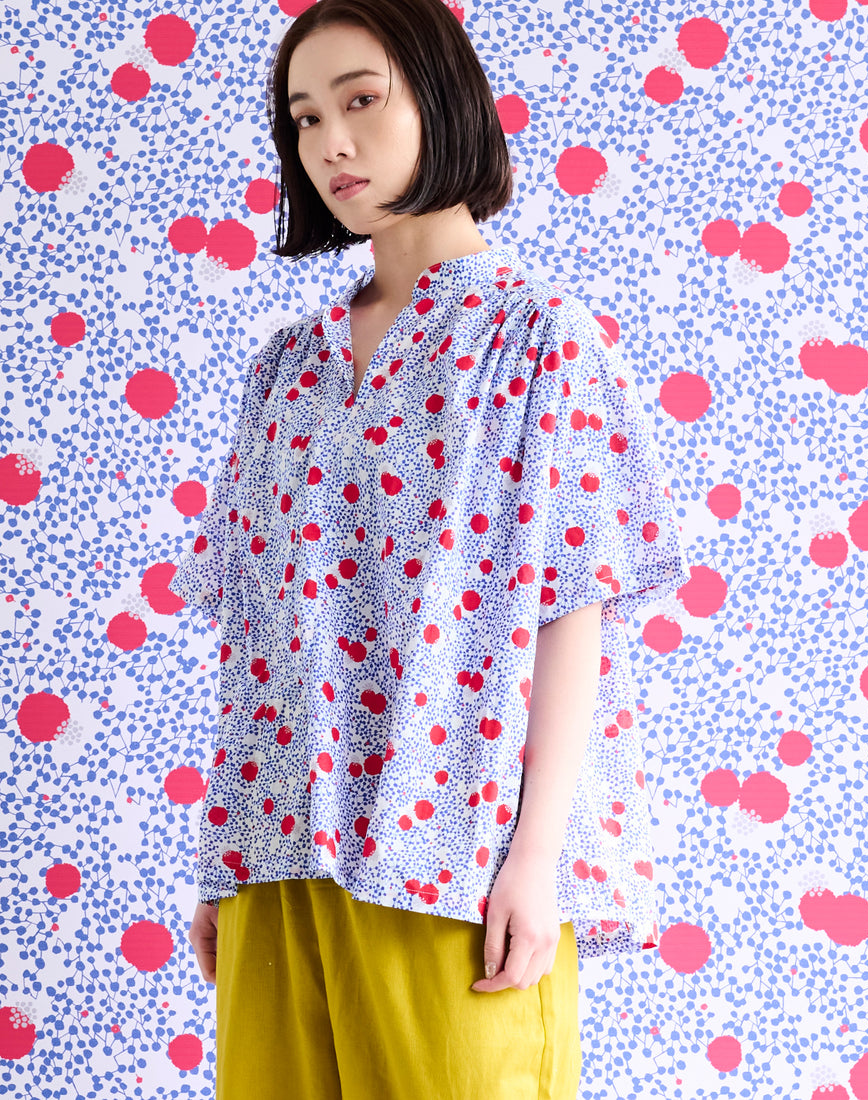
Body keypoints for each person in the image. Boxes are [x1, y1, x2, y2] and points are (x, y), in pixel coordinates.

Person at [168, 1, 692, 1096]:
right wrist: (223, 859)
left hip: (457, 851)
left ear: (442, 100)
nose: (331, 143)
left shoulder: (539, 337)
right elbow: (258, 629)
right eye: (305, 118)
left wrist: (535, 859)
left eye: (361, 100)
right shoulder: (287, 366)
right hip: (279, 844)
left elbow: (571, 609)